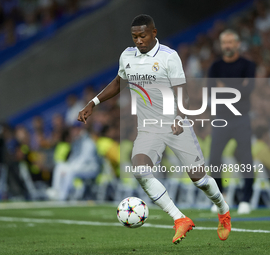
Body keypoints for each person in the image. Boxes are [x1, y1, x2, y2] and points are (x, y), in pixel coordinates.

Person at [78, 14, 231, 244]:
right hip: (148, 129)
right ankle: (179, 219)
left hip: (174, 124)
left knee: (199, 180)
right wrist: (93, 103)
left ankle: (223, 208)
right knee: (140, 169)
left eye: (142, 35)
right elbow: (119, 82)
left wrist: (180, 117)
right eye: (134, 36)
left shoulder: (169, 57)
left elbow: (183, 93)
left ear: (154, 33)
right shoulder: (127, 56)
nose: (138, 40)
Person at [207, 29, 256, 215]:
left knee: (246, 159)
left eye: (230, 42)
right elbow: (212, 92)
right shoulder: (215, 67)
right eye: (224, 42)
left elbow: (248, 89)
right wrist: (236, 88)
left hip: (242, 118)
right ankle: (220, 198)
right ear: (221, 45)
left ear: (237, 44)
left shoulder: (248, 65)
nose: (227, 45)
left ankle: (246, 199)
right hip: (221, 119)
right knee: (214, 159)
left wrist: (224, 87)